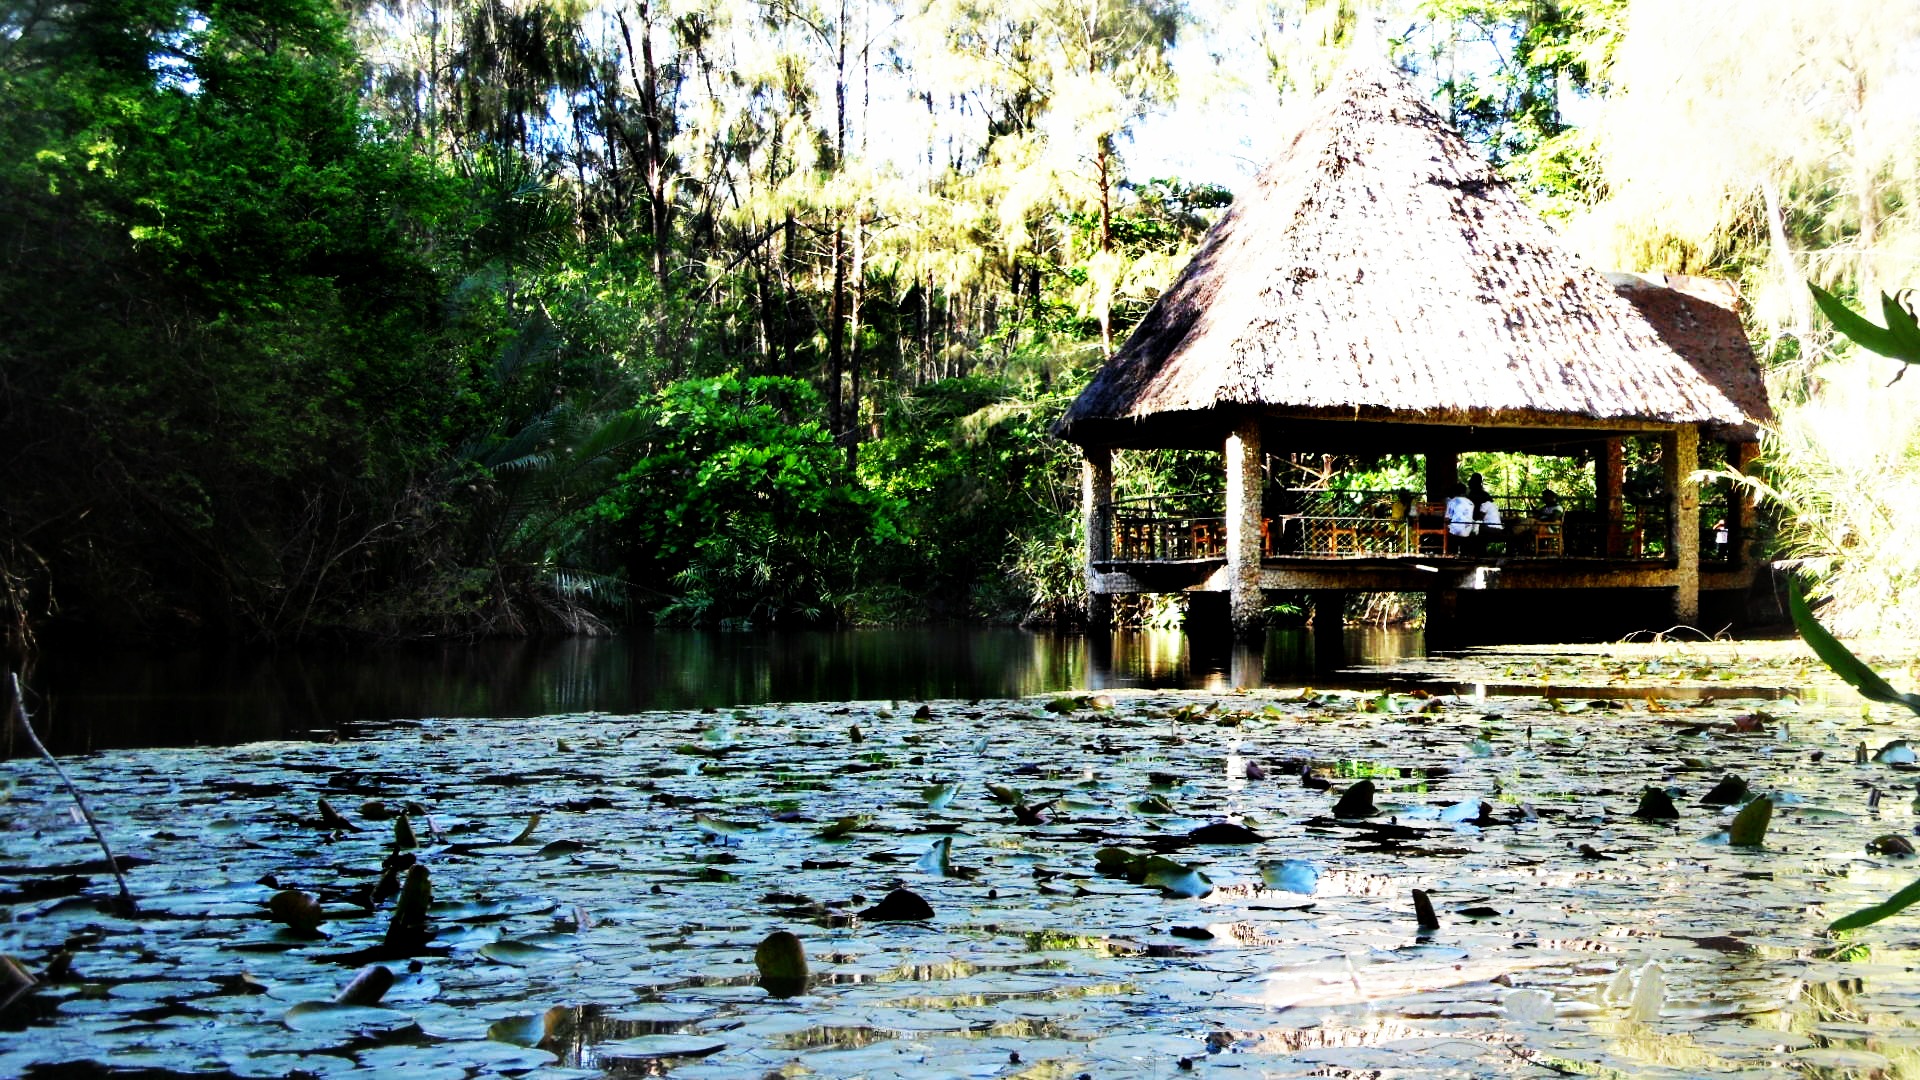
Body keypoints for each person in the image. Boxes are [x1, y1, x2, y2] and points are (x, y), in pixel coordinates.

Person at [1444, 482, 1476, 552]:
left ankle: (1450, 553)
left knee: (1446, 530)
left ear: (1454, 491)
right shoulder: (1471, 503)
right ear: (1465, 492)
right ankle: (1464, 553)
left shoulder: (1452, 501)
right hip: (1468, 531)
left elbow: (1447, 518)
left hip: (1455, 532)